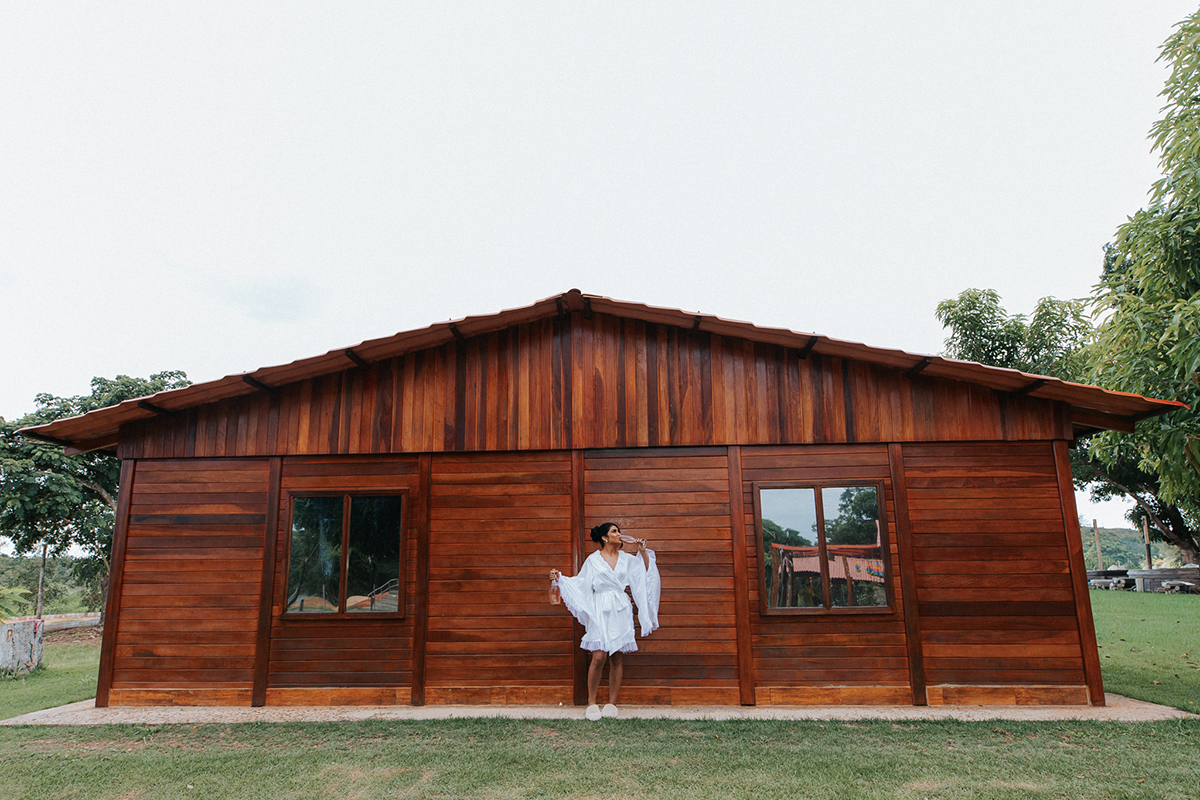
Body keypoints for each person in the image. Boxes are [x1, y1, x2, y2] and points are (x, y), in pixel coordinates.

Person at [550, 522, 660, 720]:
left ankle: (612, 703)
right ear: (605, 538)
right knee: (599, 656)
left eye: (619, 531)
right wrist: (560, 578)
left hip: (620, 608)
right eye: (614, 531)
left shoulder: (627, 559)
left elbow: (644, 571)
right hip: (600, 608)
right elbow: (581, 582)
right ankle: (592, 703)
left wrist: (642, 551)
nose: (619, 534)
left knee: (617, 656)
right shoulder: (593, 561)